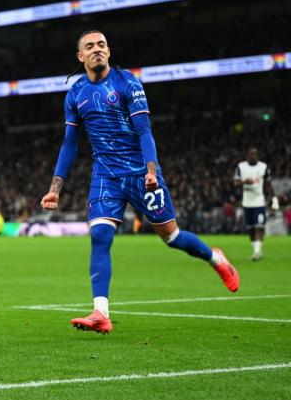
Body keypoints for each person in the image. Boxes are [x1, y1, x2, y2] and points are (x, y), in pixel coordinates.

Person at [40, 30, 239, 334]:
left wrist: (151, 170)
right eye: (90, 46)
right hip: (106, 176)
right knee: (100, 237)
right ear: (80, 56)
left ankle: (215, 258)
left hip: (140, 173)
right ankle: (100, 312)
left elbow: (145, 131)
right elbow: (70, 143)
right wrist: (55, 188)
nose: (97, 49)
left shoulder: (127, 83)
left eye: (102, 45)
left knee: (172, 238)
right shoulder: (75, 93)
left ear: (109, 51)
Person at [234, 147, 279, 261]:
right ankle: (256, 250)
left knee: (259, 226)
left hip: (259, 202)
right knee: (251, 229)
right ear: (247, 155)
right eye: (250, 154)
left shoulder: (263, 167)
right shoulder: (241, 167)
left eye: (254, 154)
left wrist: (274, 198)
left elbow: (268, 184)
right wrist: (244, 181)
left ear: (257, 155)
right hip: (246, 202)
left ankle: (257, 252)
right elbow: (235, 182)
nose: (252, 156)